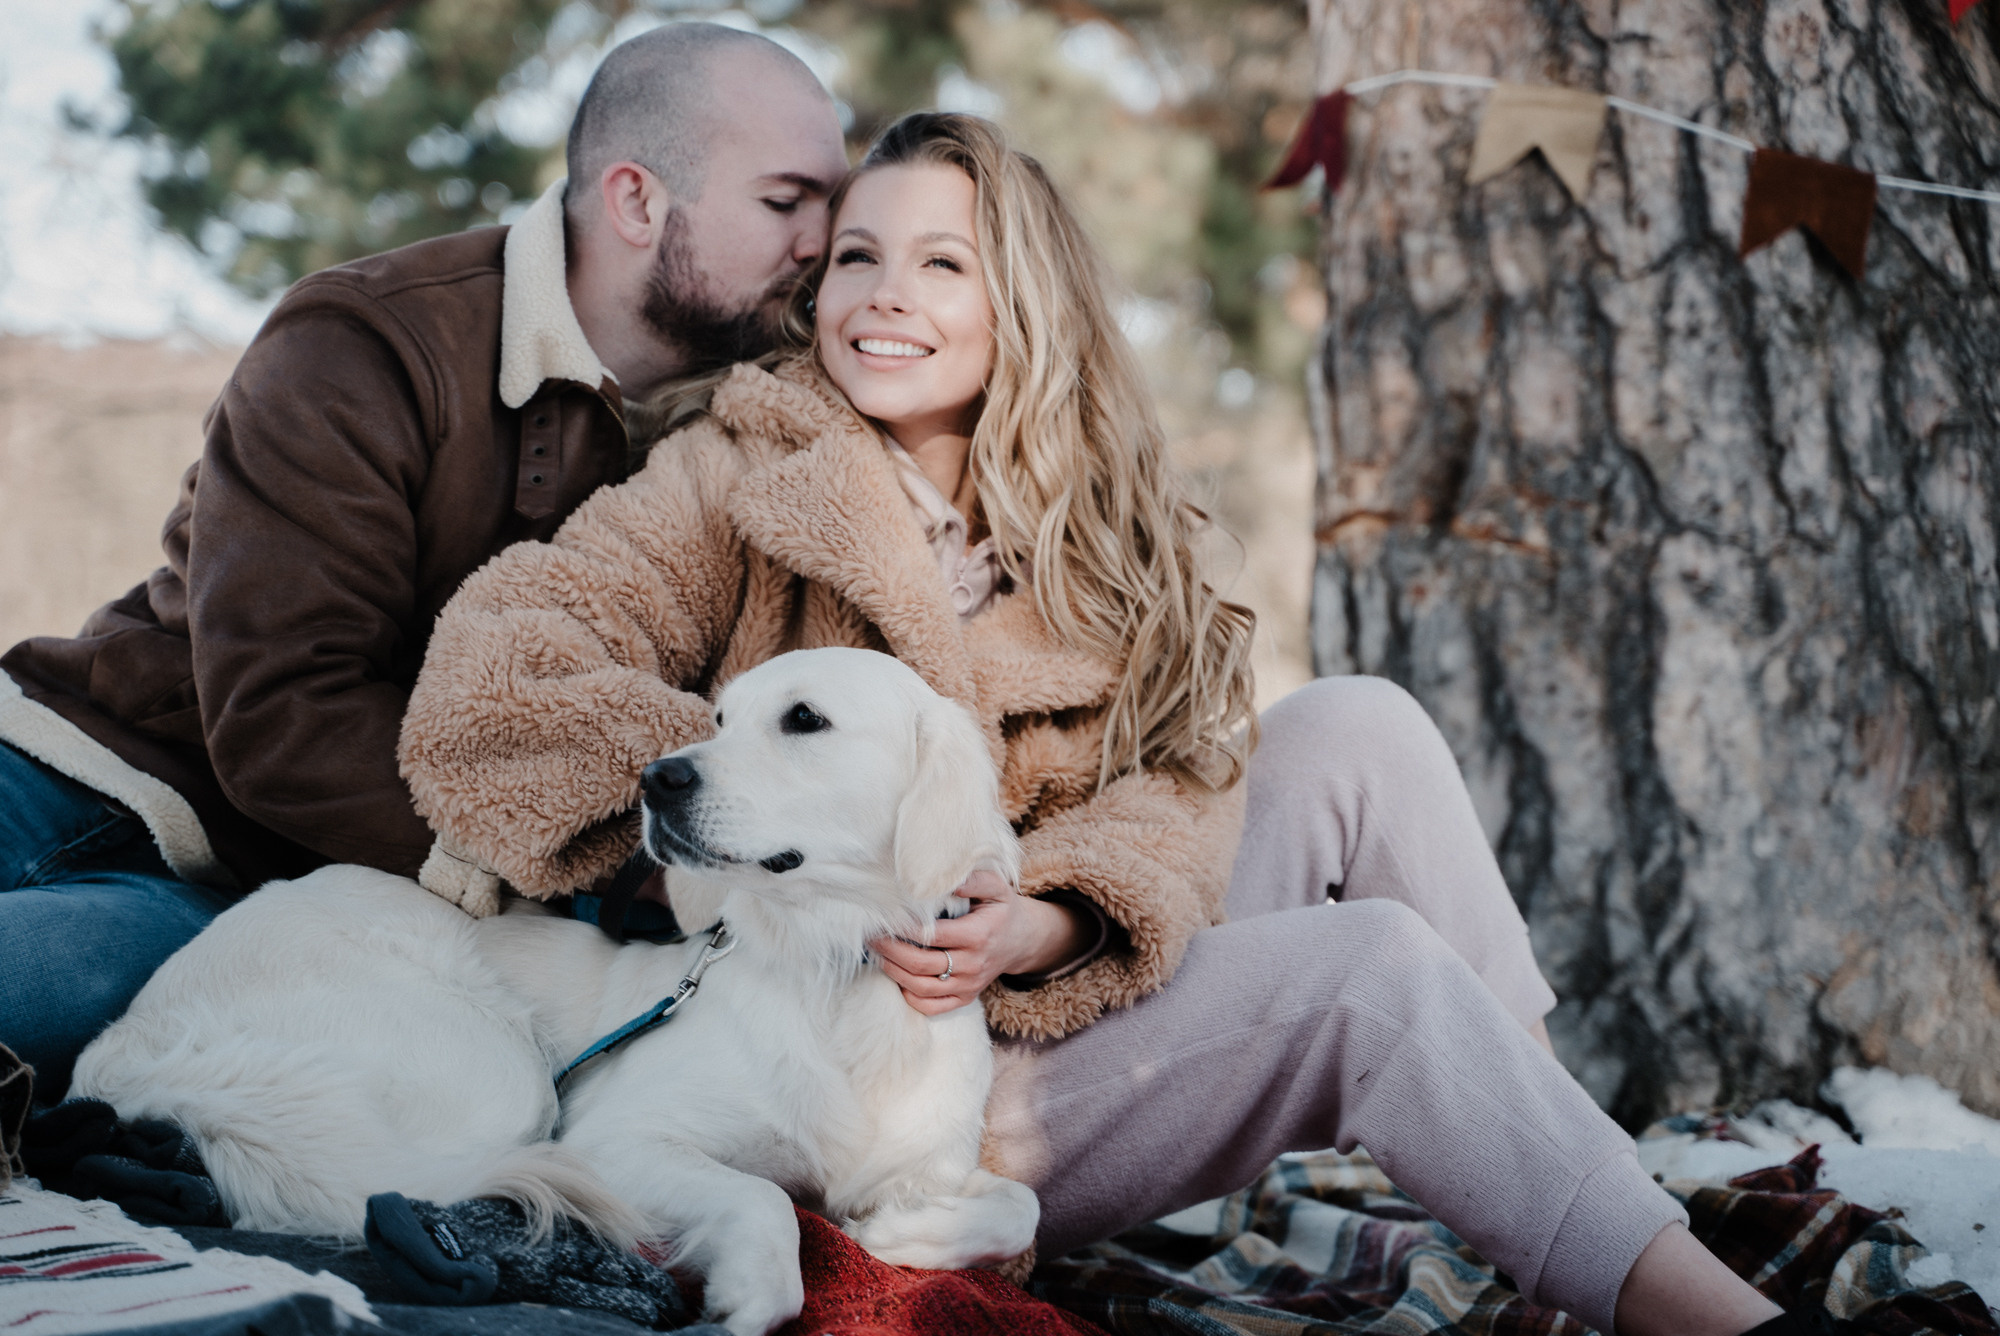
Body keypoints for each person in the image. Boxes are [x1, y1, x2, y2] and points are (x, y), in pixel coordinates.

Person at [398, 113, 1824, 1336]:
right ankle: (1705, 1314)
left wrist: (1061, 914)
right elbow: (500, 677)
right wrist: (731, 800)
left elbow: (1186, 787)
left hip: (1050, 990)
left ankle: (1558, 1171)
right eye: (857, 259)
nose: (885, 297)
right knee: (1368, 971)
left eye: (942, 263)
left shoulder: (1100, 521)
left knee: (1360, 728)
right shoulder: (740, 476)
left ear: (1021, 299)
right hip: (887, 1059)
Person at [0, 23, 851, 1097]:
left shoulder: (766, 422)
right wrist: (589, 872)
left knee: (74, 1008)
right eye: (785, 202)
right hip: (91, 774)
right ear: (637, 201)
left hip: (264, 899)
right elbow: (283, 710)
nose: (822, 240)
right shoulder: (367, 343)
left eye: (832, 203)